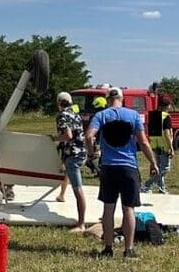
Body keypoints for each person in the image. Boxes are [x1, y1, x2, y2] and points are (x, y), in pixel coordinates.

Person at [85, 87, 160, 259]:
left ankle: (108, 249)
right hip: (129, 168)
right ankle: (129, 250)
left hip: (108, 168)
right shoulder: (133, 115)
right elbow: (143, 142)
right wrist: (153, 162)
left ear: (107, 99)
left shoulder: (101, 116)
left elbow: (89, 137)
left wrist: (91, 154)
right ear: (122, 98)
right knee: (128, 209)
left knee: (108, 209)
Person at [52, 92, 88, 231]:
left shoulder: (62, 115)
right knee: (67, 169)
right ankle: (61, 195)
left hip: (73, 155)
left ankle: (81, 224)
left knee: (78, 190)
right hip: (81, 152)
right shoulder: (75, 114)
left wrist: (54, 139)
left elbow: (67, 135)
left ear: (59, 103)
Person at [142, 94, 174, 193]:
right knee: (165, 169)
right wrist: (171, 147)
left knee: (157, 168)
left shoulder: (154, 115)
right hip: (164, 147)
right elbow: (166, 133)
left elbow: (153, 133)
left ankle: (162, 189)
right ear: (167, 106)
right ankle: (147, 185)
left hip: (155, 146)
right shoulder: (166, 117)